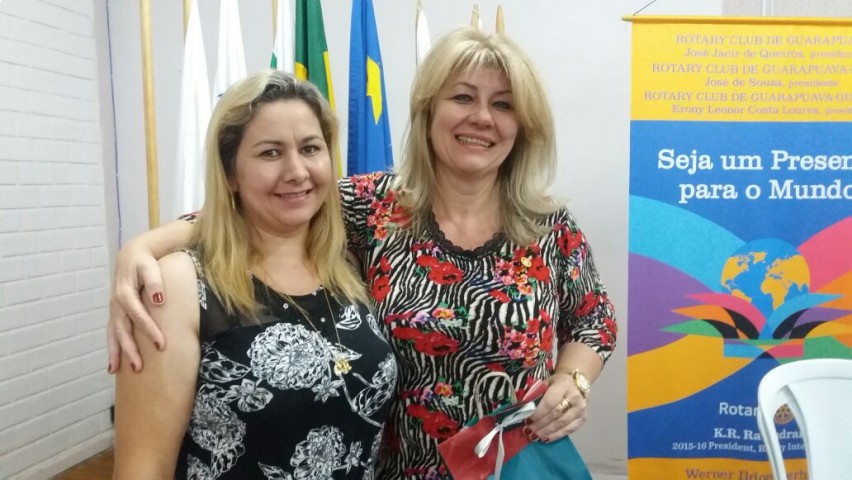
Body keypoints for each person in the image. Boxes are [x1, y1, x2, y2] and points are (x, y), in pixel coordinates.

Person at [109, 27, 617, 479]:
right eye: (463, 97)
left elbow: (594, 319)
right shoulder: (372, 208)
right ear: (429, 111)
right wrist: (140, 249)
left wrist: (573, 380)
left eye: (503, 105)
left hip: (515, 467)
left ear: (523, 123)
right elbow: (255, 208)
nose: (482, 118)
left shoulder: (548, 225)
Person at [112, 71, 396, 479]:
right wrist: (136, 249)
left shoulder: (348, 267)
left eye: (310, 148)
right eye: (270, 153)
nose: (297, 171)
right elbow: (143, 469)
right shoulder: (179, 286)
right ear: (230, 173)